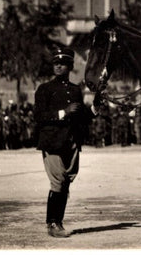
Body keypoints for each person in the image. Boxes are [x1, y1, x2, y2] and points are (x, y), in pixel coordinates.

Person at [34, 46, 99, 238]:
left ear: (70, 66)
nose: (58, 67)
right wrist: (63, 112)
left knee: (65, 183)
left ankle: (57, 222)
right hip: (52, 142)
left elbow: (81, 117)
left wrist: (94, 109)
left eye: (62, 64)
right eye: (56, 63)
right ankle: (53, 224)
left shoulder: (75, 90)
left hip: (71, 143)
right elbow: (38, 116)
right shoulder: (45, 89)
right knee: (58, 182)